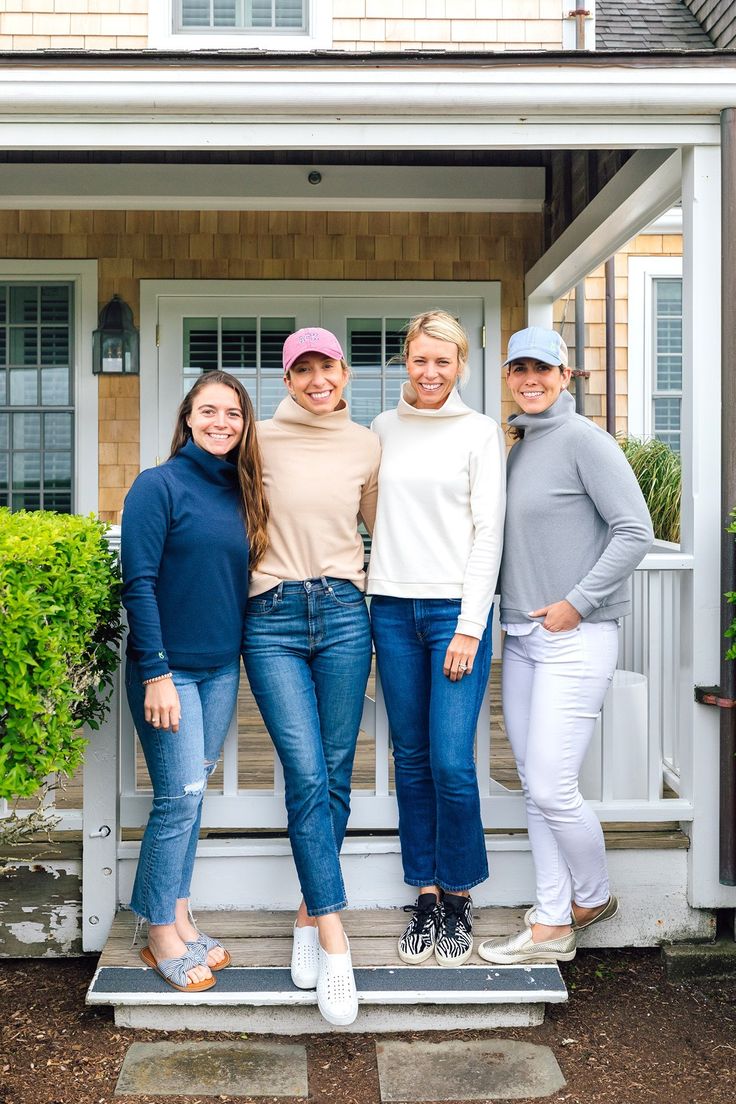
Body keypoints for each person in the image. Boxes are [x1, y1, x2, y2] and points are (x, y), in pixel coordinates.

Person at [478, 326, 654, 967]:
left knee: (553, 787)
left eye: (542, 369)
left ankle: (592, 896)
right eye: (519, 369)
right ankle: (550, 919)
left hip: (575, 637)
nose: (530, 379)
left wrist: (576, 601)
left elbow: (635, 530)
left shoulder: (585, 441)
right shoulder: (520, 447)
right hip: (522, 640)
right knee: (534, 785)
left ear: (565, 375)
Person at [241, 327, 381, 1026]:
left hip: (346, 613)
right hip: (269, 617)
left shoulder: (365, 444)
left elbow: (388, 528)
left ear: (344, 373)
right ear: (287, 379)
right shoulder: (256, 440)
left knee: (333, 771)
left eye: (328, 367)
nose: (318, 379)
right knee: (304, 772)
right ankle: (335, 937)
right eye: (304, 369)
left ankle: (305, 910)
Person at [121, 370, 268, 993]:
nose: (221, 423)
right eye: (208, 411)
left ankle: (179, 914)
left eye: (232, 414)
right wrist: (155, 671)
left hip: (219, 668)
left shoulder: (240, 491)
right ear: (187, 418)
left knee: (192, 797)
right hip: (169, 670)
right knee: (177, 798)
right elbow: (140, 583)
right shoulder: (157, 486)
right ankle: (158, 932)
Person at [367, 310, 506, 967]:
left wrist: (470, 627)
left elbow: (489, 533)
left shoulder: (480, 434)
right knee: (412, 758)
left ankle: (458, 894)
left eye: (443, 362)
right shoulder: (382, 430)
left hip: (454, 612)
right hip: (390, 608)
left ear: (461, 366)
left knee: (452, 762)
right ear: (406, 360)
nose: (430, 372)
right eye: (420, 360)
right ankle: (423, 894)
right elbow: (370, 510)